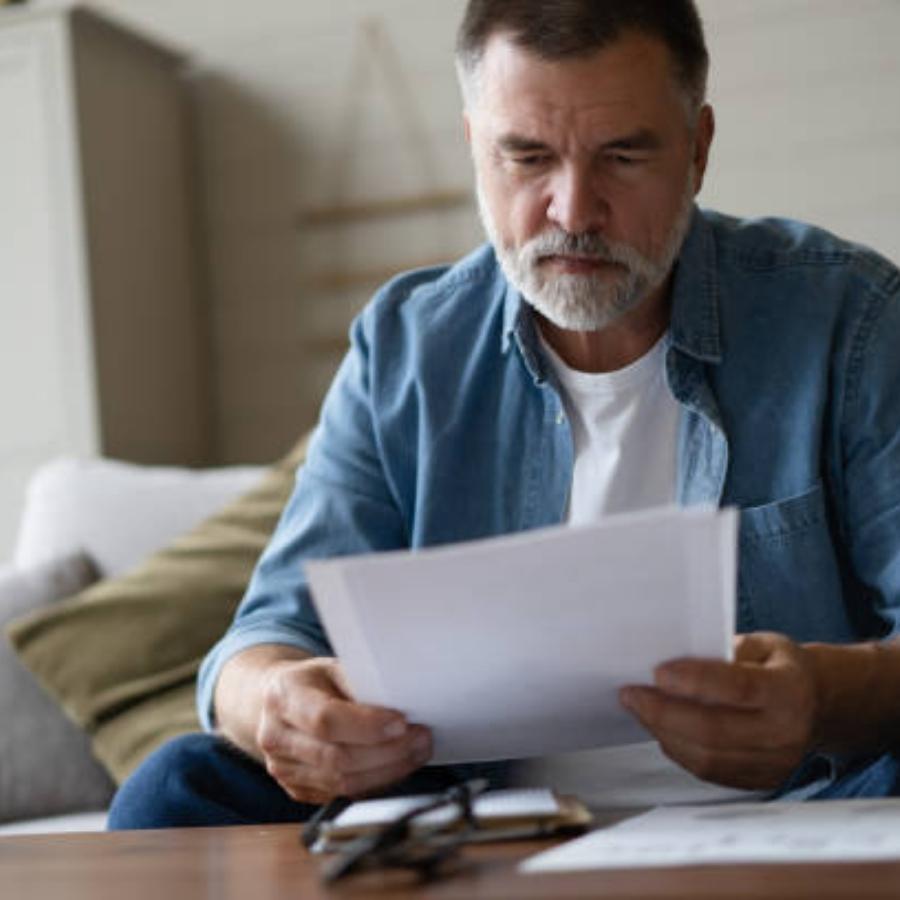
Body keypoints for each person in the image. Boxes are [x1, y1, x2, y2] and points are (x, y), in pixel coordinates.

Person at [109, 0, 900, 829]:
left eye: (623, 157)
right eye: (526, 157)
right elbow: (265, 635)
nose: (573, 212)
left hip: (801, 804)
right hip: (475, 820)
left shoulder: (848, 320)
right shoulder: (406, 347)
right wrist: (277, 703)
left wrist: (819, 697)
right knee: (175, 788)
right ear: (474, 151)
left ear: (697, 150)